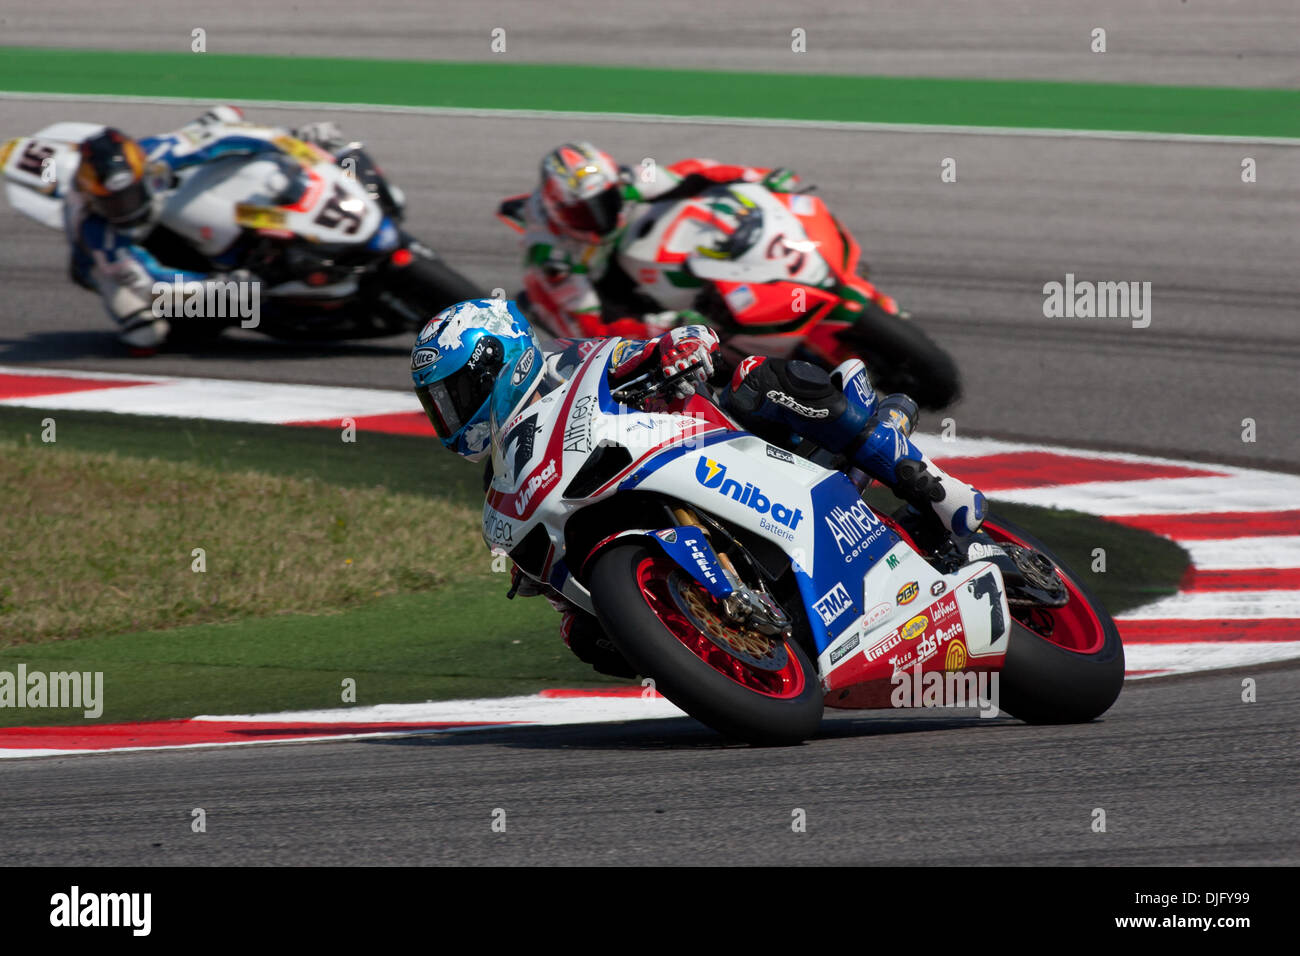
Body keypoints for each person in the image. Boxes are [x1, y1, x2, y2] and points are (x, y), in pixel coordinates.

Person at [411, 298, 986, 678]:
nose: (451, 413)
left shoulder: (575, 361)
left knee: (754, 378)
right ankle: (731, 642)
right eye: (440, 405)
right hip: (651, 503)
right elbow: (541, 567)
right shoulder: (500, 482)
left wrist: (676, 349)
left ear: (500, 362)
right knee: (584, 636)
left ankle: (928, 482)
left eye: (456, 394)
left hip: (728, 444)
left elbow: (648, 348)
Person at [66, 107, 357, 352]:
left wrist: (298, 144)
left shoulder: (157, 155)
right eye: (113, 203)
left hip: (163, 198)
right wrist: (220, 288)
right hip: (108, 268)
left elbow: (225, 136)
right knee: (144, 335)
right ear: (94, 200)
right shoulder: (98, 232)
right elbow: (154, 285)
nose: (124, 209)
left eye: (128, 197)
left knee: (223, 116)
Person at [515, 141, 803, 338]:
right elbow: (592, 324)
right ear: (559, 212)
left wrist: (760, 178)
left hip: (614, 248)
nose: (599, 217)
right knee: (594, 346)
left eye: (606, 201)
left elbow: (693, 171)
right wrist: (664, 327)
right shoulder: (552, 254)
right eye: (583, 213)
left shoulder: (626, 180)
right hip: (586, 277)